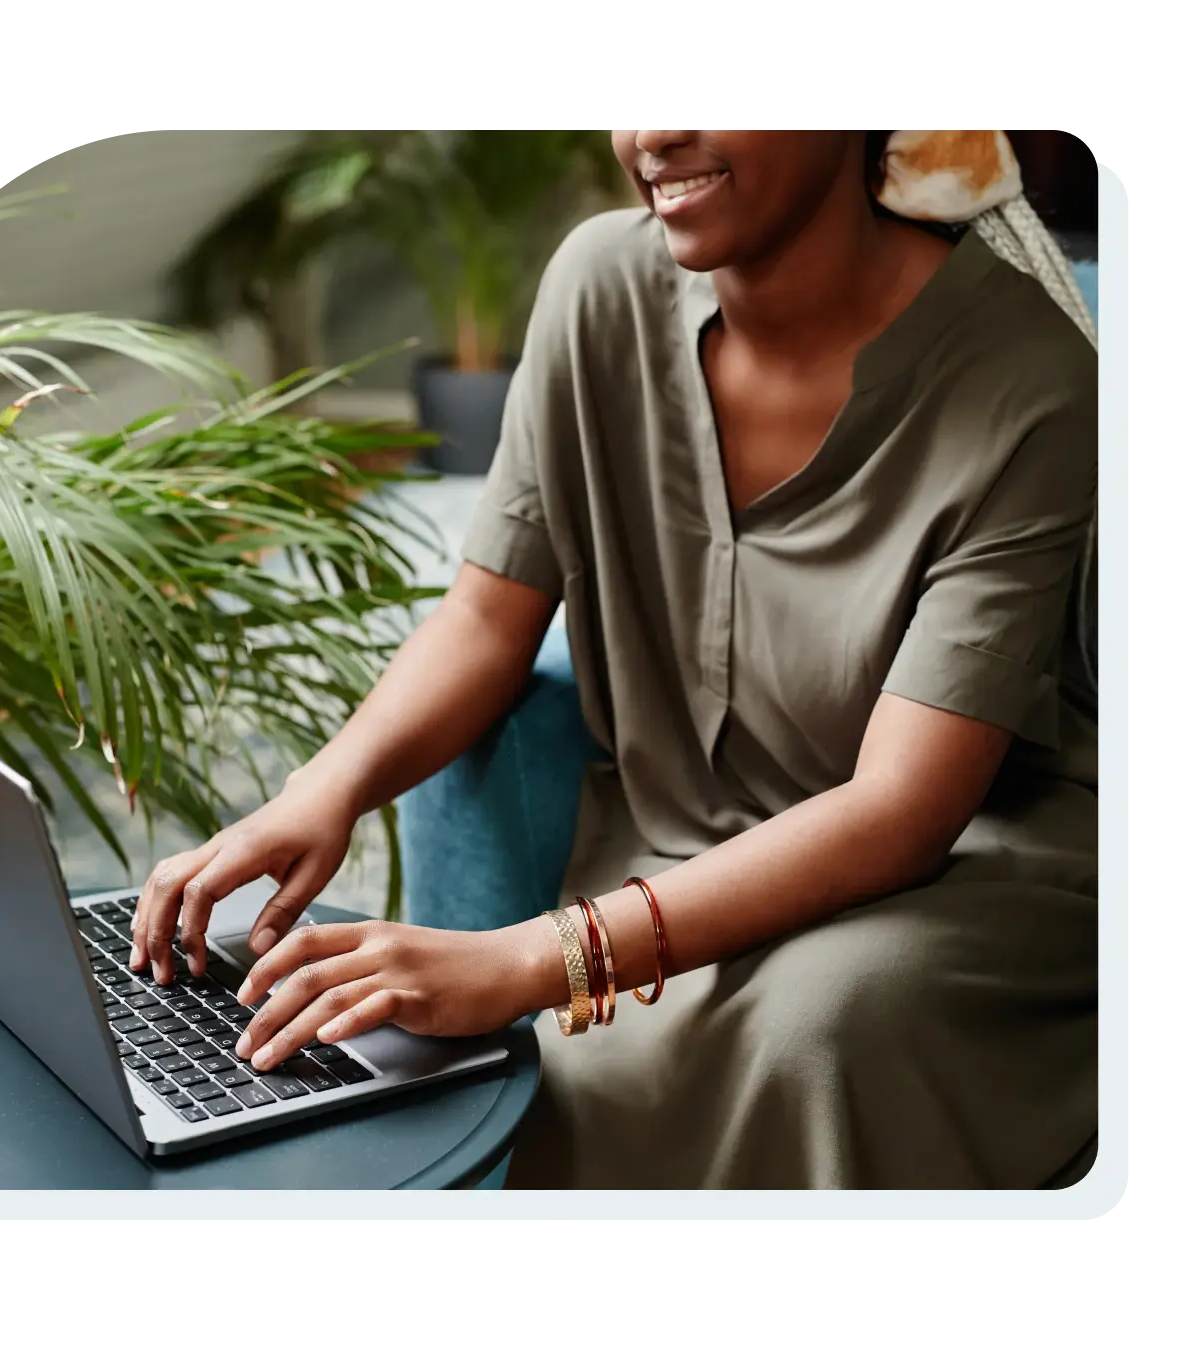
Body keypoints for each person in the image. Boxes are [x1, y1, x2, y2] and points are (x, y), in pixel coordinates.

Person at [129, 129, 1099, 1189]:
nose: (649, 136)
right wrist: (317, 793)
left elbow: (901, 814)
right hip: (670, 853)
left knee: (817, 1028)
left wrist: (526, 960)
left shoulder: (1032, 381)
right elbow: (487, 621)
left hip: (958, 876)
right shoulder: (599, 287)